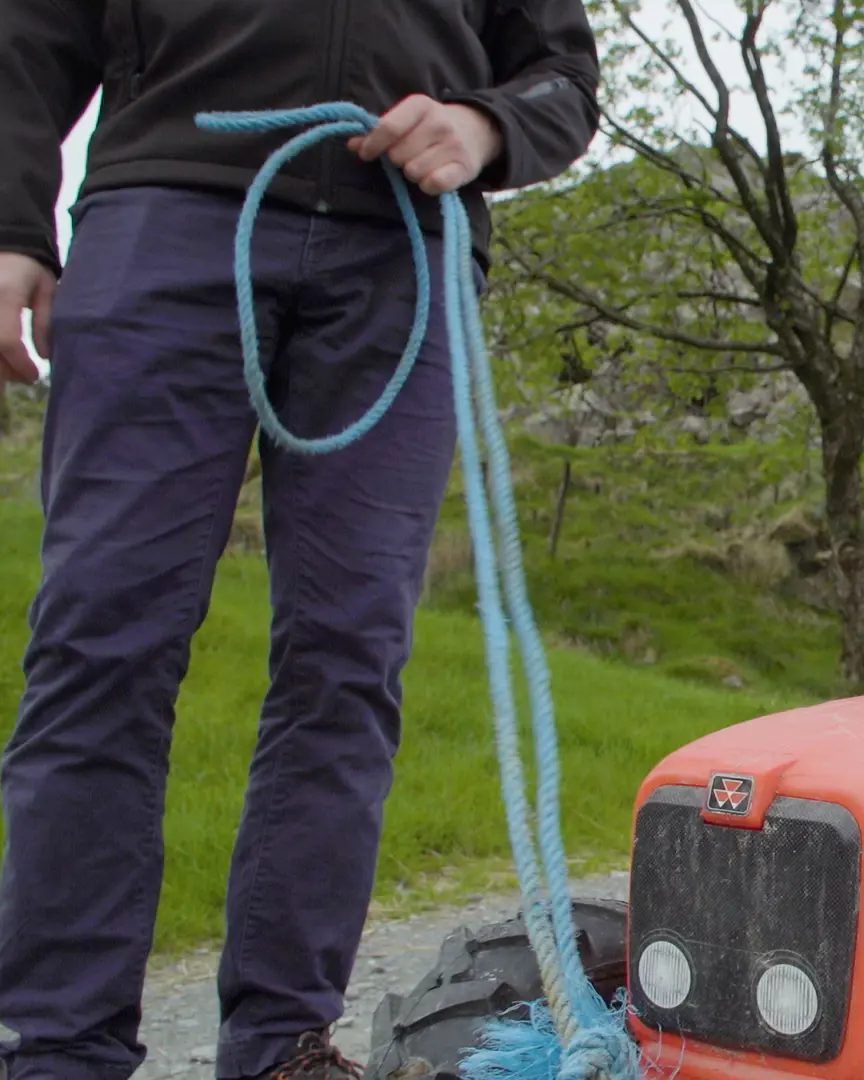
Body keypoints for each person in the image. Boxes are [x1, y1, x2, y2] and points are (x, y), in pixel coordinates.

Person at [0, 1, 600, 1078]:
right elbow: (28, 31)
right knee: (101, 642)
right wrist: (9, 225)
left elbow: (562, 74)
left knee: (349, 655)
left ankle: (282, 1043)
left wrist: (484, 126)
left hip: (403, 251)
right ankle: (57, 1049)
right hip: (163, 215)